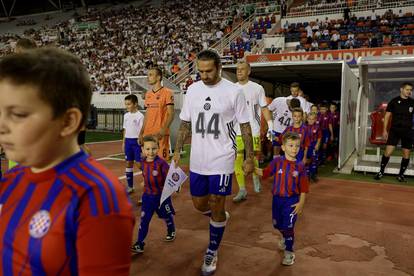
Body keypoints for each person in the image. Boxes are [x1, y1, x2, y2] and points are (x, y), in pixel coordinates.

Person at [0, 47, 134, 274]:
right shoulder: (10, 180)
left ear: (68, 121)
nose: (2, 126)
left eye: (19, 114)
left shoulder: (97, 196)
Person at [173, 49, 254, 276]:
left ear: (219, 68)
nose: (204, 75)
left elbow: (245, 125)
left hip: (222, 158)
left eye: (209, 71)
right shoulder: (192, 90)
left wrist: (249, 157)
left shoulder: (233, 91)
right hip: (198, 159)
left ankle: (212, 250)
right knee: (200, 205)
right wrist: (177, 150)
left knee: (218, 200)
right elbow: (185, 123)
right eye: (200, 71)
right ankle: (219, 217)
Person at [255, 132, 309, 266]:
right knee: (277, 225)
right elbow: (265, 173)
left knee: (289, 227)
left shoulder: (300, 166)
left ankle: (289, 252)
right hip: (277, 200)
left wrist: (301, 203)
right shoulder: (277, 162)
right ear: (283, 147)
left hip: (292, 201)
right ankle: (285, 237)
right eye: (291, 145)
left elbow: (304, 188)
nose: (294, 148)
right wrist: (253, 168)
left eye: (297, 146)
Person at [233, 61, 273, 202]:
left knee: (253, 157)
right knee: (237, 159)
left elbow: (264, 108)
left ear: (248, 71)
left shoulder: (257, 88)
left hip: (253, 130)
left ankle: (256, 178)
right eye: (237, 69)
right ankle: (242, 190)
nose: (239, 72)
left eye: (242, 69)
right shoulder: (231, 88)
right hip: (236, 131)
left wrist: (270, 125)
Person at [131, 135, 176, 254]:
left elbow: (170, 177)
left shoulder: (162, 164)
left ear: (158, 148)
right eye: (148, 149)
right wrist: (144, 182)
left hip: (161, 197)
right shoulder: (143, 162)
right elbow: (147, 174)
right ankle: (139, 243)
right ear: (143, 150)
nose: (151, 152)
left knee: (165, 215)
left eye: (154, 149)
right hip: (147, 197)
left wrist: (176, 185)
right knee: (144, 220)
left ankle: (171, 228)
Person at [375, 82, 414, 182]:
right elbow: (387, 117)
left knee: (406, 154)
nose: (409, 92)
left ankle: (401, 175)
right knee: (388, 152)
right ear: (401, 89)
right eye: (407, 89)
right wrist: (384, 130)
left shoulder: (412, 102)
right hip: (394, 131)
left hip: (408, 131)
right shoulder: (394, 101)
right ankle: (381, 172)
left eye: (410, 90)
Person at [141, 67, 174, 160]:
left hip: (160, 133)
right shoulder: (148, 94)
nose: (148, 77)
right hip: (147, 133)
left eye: (151, 75)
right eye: (148, 75)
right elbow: (147, 114)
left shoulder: (168, 93)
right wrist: (141, 132)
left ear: (159, 77)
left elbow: (171, 114)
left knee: (161, 163)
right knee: (146, 162)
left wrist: (163, 130)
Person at [123, 94, 144, 194]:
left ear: (135, 104)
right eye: (126, 104)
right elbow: (125, 129)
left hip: (136, 142)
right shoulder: (126, 115)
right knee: (128, 163)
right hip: (128, 141)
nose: (127, 106)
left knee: (139, 164)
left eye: (129, 104)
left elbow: (142, 131)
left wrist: (142, 144)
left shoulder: (140, 116)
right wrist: (123, 142)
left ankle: (149, 181)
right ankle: (130, 187)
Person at [306, 112, 322, 182]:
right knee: (307, 160)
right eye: (309, 119)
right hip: (306, 146)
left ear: (315, 120)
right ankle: (307, 174)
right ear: (307, 119)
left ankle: (313, 174)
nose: (311, 120)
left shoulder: (317, 127)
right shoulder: (304, 127)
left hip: (313, 145)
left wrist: (317, 144)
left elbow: (319, 137)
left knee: (314, 159)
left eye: (312, 119)